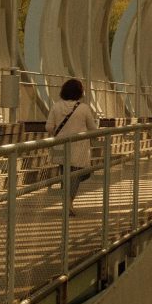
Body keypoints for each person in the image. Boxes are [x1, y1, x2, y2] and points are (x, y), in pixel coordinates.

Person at [45, 78, 98, 216]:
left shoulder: (56, 106)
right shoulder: (84, 108)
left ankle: (67, 202)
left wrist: (60, 131)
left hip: (60, 146)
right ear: (79, 92)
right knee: (77, 175)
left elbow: (49, 127)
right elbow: (92, 128)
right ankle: (68, 203)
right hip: (78, 148)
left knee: (65, 175)